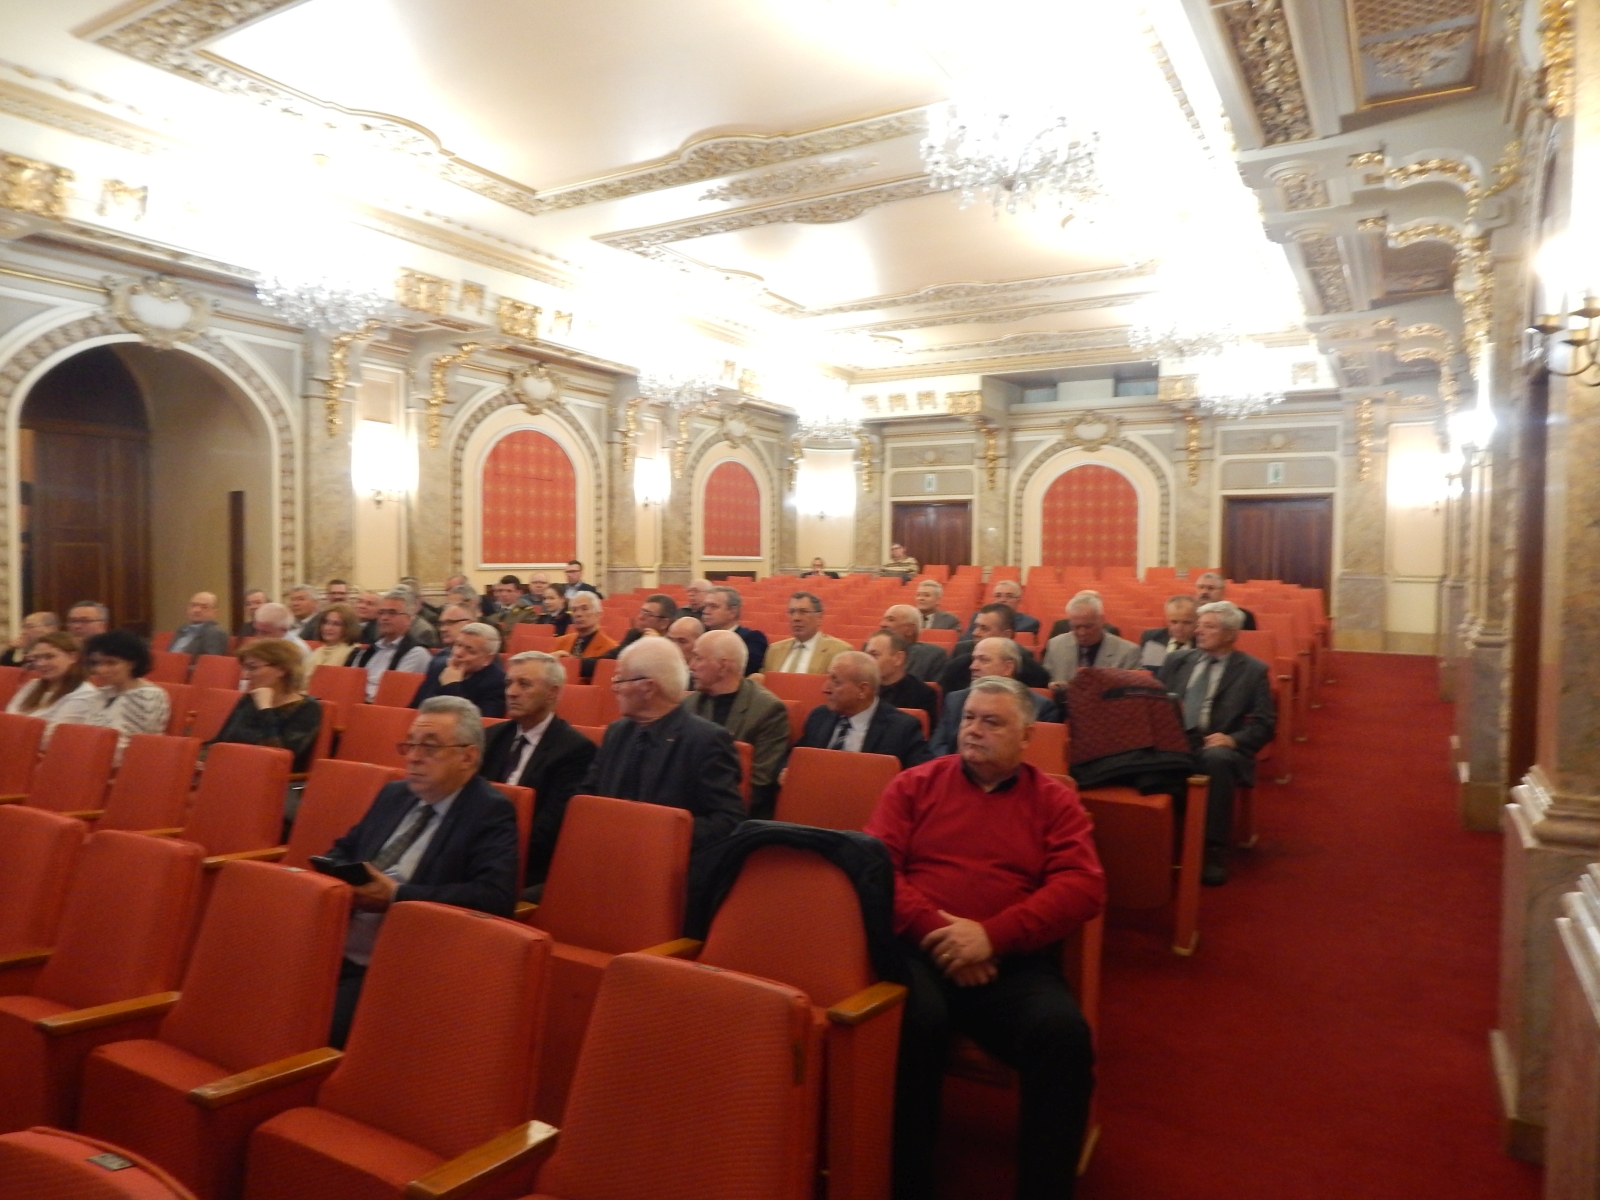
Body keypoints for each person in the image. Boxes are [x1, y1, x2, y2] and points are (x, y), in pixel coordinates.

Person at [866, 675, 1104, 1200]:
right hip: (919, 950)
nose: (974, 730)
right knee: (916, 1024)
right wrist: (943, 935)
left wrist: (992, 937)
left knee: (1063, 1037)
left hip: (1009, 960)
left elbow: (1083, 886)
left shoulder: (1054, 801)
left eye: (992, 722)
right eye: (969, 718)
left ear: (1026, 737)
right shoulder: (914, 784)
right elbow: (876, 870)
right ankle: (909, 1182)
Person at [323, 696, 519, 1047]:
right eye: (410, 745)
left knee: (316, 1028)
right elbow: (344, 848)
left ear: (468, 756)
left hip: (400, 962)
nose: (413, 757)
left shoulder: (489, 811)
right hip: (334, 939)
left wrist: (397, 896)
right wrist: (339, 876)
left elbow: (494, 897)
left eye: (429, 747)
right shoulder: (395, 794)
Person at [579, 636, 745, 854]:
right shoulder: (617, 732)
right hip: (607, 852)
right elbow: (588, 795)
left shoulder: (705, 740)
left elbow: (728, 820)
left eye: (620, 680)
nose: (614, 688)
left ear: (648, 688)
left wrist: (657, 833)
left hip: (668, 860)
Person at [1158, 601, 1276, 886]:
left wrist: (1233, 739)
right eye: (1199, 625)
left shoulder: (1252, 670)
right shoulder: (1177, 660)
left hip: (1218, 743)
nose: (1198, 631)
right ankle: (1153, 837)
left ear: (1230, 634)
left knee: (1216, 760)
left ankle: (1212, 847)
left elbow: (1265, 724)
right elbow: (1155, 703)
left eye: (1208, 626)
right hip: (1176, 738)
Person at [479, 651, 597, 894]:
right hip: (477, 851)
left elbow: (548, 831)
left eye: (524, 684)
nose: (511, 692)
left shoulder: (575, 750)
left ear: (552, 692)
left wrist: (488, 850)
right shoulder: (492, 737)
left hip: (525, 864)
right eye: (509, 683)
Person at [685, 629, 791, 818]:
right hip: (687, 805)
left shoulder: (767, 710)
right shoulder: (689, 704)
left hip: (735, 813)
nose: (691, 666)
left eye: (698, 658)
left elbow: (758, 783)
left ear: (723, 667)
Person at [794, 650, 931, 770]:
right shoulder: (819, 716)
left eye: (836, 682)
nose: (825, 689)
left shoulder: (902, 728)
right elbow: (796, 757)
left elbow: (919, 776)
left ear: (862, 690)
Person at [208, 638, 323, 774]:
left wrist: (265, 708)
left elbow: (278, 757)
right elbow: (220, 741)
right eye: (244, 668)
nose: (245, 676)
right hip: (231, 770)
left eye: (253, 668)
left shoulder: (308, 708)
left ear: (282, 669)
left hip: (270, 779)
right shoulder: (249, 699)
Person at [930, 636, 1057, 757]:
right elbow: (937, 746)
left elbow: (1035, 754)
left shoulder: (1040, 707)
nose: (973, 666)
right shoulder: (954, 700)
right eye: (974, 659)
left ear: (1008, 667)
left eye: (983, 660)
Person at [81, 630, 170, 757]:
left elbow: (136, 746)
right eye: (96, 663)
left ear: (133, 663)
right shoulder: (101, 693)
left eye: (111, 663)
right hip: (94, 757)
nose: (101, 669)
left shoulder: (148, 697)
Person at [939, 605, 1050, 694]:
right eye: (976, 627)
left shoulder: (1032, 671)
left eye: (984, 628)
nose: (975, 633)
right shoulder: (957, 666)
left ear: (1006, 635)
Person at [5, 631, 98, 735]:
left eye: (49, 657)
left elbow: (56, 735)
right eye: (37, 658)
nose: (40, 663)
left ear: (73, 657)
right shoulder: (33, 685)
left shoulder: (84, 694)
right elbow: (8, 718)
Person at [411, 621, 507, 716]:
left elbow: (480, 722)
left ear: (488, 659)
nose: (458, 653)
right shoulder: (439, 667)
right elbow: (414, 709)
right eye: (458, 645)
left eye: (470, 650)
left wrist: (451, 686)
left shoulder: (498, 683)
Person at [1042, 592, 1142, 682]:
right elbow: (1045, 681)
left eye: (1088, 627)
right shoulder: (1056, 645)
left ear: (1102, 620)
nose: (1082, 632)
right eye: (1076, 627)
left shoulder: (1128, 652)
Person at [353, 590, 433, 701]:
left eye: (392, 613)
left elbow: (394, 694)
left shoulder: (416, 653)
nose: (384, 618)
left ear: (408, 619)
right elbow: (351, 682)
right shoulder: (369, 650)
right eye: (381, 613)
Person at [864, 630, 939, 731]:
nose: (867, 661)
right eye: (866, 655)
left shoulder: (922, 694)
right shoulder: (861, 689)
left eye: (874, 655)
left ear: (898, 658)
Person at [763, 591, 850, 674]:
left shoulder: (839, 651)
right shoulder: (773, 650)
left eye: (803, 612)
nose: (796, 618)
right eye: (792, 612)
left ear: (819, 617)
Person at [700, 585, 766, 676]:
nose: (705, 611)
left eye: (713, 606)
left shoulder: (752, 639)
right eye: (705, 606)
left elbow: (742, 670)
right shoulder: (700, 636)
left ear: (732, 612)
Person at [879, 604, 948, 683]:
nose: (882, 624)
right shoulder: (870, 649)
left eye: (891, 620)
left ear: (909, 630)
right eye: (884, 619)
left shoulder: (932, 656)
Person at [1138, 595, 1200, 670]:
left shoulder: (1202, 644)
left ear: (1198, 621)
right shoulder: (1153, 638)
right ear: (1166, 620)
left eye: (1186, 623)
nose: (1179, 628)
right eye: (1174, 622)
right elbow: (1147, 670)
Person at [552, 591, 617, 661]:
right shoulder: (561, 642)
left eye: (584, 609)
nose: (578, 614)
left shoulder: (610, 647)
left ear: (598, 614)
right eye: (574, 610)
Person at [965, 580, 1040, 636]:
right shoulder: (978, 617)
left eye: (1009, 596)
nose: (1002, 600)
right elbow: (966, 641)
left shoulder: (1028, 623)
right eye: (998, 596)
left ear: (1018, 600)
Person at [168, 591, 229, 658]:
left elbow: (210, 662)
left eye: (204, 607)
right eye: (193, 605)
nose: (196, 610)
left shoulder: (215, 633)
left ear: (215, 612)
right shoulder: (183, 629)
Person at [308, 603, 364, 669]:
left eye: (336, 624)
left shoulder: (355, 654)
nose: (328, 628)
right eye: (325, 622)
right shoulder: (316, 653)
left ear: (348, 627)